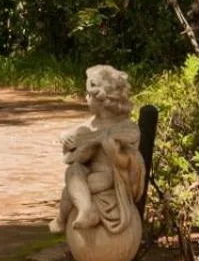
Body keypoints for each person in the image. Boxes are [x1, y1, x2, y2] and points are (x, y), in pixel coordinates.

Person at [51, 65, 144, 235]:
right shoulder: (90, 125)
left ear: (101, 100)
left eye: (88, 94)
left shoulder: (125, 127)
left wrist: (113, 153)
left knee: (70, 191)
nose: (85, 98)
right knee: (73, 171)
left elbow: (130, 159)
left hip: (110, 177)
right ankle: (84, 211)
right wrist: (64, 136)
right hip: (89, 173)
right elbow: (74, 141)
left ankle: (70, 217)